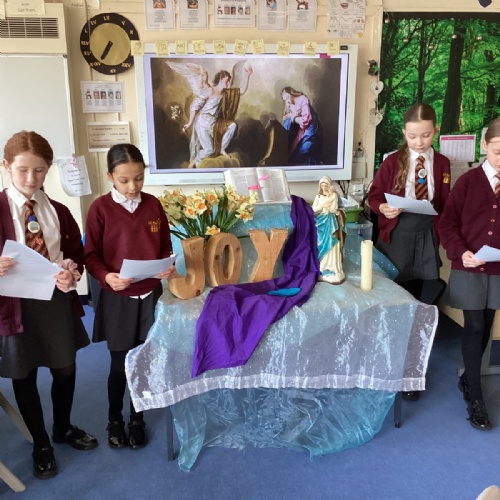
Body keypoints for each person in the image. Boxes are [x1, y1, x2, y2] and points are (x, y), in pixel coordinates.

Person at [0, 131, 98, 480]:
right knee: (24, 372)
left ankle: (62, 426)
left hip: (54, 300)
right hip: (13, 305)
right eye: (23, 169)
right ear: (6, 166)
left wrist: (71, 271)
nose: (31, 179)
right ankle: (40, 442)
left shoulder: (57, 210)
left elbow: (74, 253)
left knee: (65, 367)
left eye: (40, 170)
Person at [84, 143, 175, 450]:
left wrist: (167, 265)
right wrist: (106, 276)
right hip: (118, 296)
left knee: (143, 360)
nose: (133, 187)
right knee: (119, 363)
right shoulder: (100, 209)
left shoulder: (153, 205)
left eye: (139, 178)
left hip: (150, 294)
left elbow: (164, 245)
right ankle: (114, 420)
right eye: (124, 180)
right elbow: (91, 255)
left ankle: (137, 419)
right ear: (110, 176)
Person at [368, 103, 451, 401]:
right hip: (398, 235)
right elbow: (374, 196)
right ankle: (390, 360)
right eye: (413, 136)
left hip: (427, 233)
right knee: (396, 299)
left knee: (419, 300)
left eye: (426, 135)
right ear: (404, 133)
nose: (419, 142)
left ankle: (412, 368)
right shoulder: (392, 162)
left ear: (435, 131)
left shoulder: (442, 163)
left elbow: (445, 202)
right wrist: (383, 207)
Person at [437, 117, 500, 431]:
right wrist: (461, 252)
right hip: (469, 265)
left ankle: (468, 378)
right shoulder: (468, 182)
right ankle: (476, 398)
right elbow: (447, 224)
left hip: (497, 268)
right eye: (498, 151)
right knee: (474, 325)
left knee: (486, 325)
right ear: (485, 146)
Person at [182, 66, 253, 168]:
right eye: (227, 81)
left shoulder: (225, 93)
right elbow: (195, 106)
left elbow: (241, 91)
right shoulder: (210, 90)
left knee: (232, 126)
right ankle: (196, 159)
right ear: (221, 78)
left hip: (215, 123)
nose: (229, 83)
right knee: (209, 150)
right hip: (203, 123)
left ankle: (222, 149)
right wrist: (190, 122)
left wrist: (248, 75)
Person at [312, 176, 345, 284]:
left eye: (325, 185)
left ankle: (333, 267)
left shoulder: (334, 195)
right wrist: (322, 207)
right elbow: (313, 209)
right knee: (321, 243)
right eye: (322, 185)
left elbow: (335, 208)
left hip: (330, 221)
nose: (324, 187)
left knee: (332, 241)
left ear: (329, 185)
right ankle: (322, 267)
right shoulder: (318, 196)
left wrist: (329, 207)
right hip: (321, 221)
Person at [281, 87, 323, 166]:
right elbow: (287, 117)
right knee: (292, 156)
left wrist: (293, 118)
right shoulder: (291, 105)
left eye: (287, 97)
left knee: (304, 152)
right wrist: (290, 115)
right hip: (301, 132)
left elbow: (306, 120)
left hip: (311, 130)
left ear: (291, 93)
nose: (287, 101)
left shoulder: (302, 99)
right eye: (285, 100)